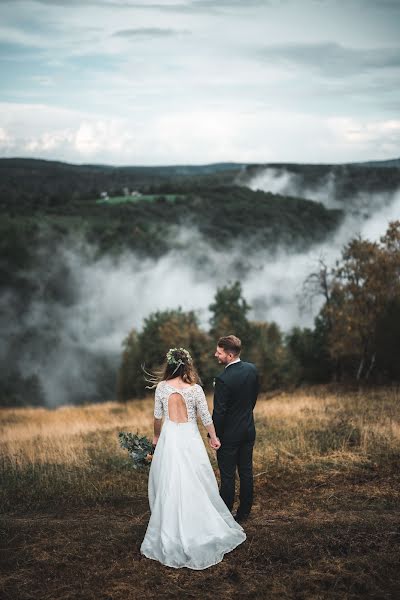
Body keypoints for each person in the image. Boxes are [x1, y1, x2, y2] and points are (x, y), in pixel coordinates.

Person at [140, 347, 246, 570]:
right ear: (187, 365)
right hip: (189, 438)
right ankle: (200, 525)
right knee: (196, 480)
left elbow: (158, 417)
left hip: (170, 438)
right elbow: (205, 417)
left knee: (170, 481)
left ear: (169, 365)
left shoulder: (161, 388)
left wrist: (156, 436)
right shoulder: (195, 389)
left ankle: (171, 529)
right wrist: (214, 437)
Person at [211, 335, 259, 523]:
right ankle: (244, 512)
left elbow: (220, 412)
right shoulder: (252, 370)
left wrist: (214, 435)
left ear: (230, 355)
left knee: (228, 475)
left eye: (219, 352)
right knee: (246, 472)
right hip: (248, 430)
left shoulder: (223, 379)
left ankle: (225, 514)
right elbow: (252, 400)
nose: (216, 354)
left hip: (229, 436)